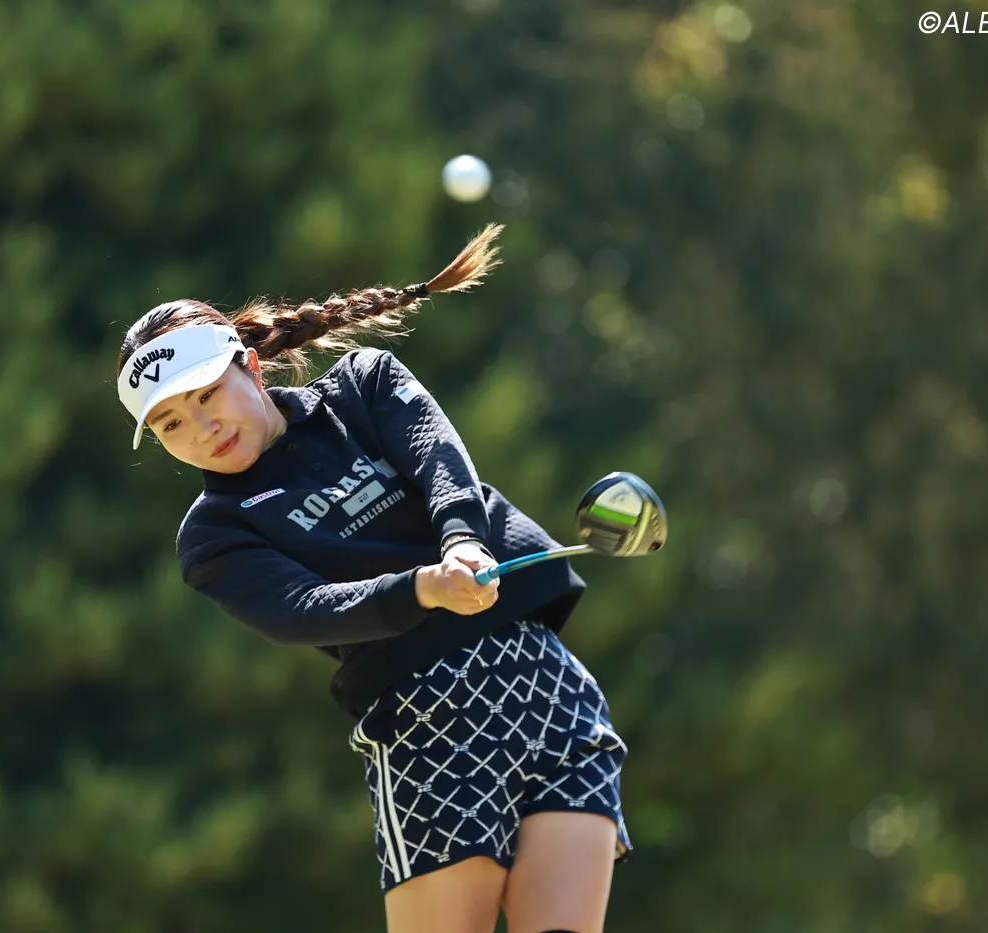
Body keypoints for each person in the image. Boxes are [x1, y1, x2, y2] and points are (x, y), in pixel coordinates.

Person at [114, 224, 632, 933]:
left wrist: (461, 540)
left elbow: (439, 460)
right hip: (427, 730)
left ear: (251, 367)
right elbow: (302, 609)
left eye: (206, 395)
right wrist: (423, 587)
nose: (202, 428)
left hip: (541, 686)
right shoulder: (213, 534)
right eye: (172, 424)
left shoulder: (363, 385)